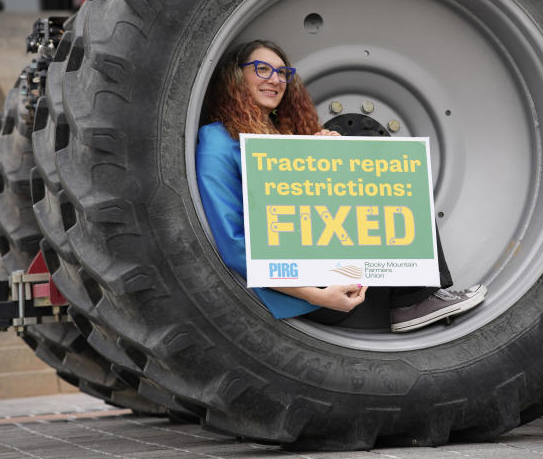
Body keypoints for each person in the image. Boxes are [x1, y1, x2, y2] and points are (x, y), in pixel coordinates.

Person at [196, 39, 486, 332]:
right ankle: (411, 300)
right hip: (302, 287)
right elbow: (234, 245)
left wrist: (333, 159)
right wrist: (318, 294)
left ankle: (411, 299)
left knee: (375, 155)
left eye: (283, 73)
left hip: (322, 256)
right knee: (374, 156)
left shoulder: (283, 136)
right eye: (262, 69)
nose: (275, 79)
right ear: (236, 76)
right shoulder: (217, 141)